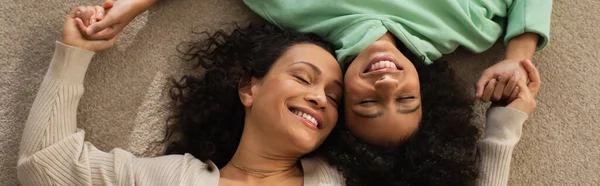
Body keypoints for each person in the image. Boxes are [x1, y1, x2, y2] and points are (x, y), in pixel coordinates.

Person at [81, 0, 546, 185]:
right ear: (424, 89)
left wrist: (132, 6)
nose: (387, 84)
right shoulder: (470, 22)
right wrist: (519, 53)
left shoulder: (293, 8)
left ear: (335, 100)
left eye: (366, 103)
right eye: (406, 100)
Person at [17, 5, 348, 185]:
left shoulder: (339, 179)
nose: (320, 98)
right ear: (249, 88)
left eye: (335, 98)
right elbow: (46, 165)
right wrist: (74, 54)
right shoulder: (174, 179)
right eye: (303, 78)